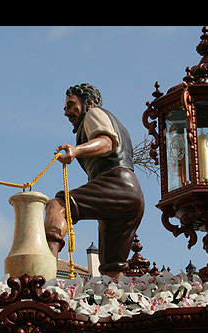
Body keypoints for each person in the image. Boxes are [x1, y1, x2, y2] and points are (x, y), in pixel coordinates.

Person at [44, 83, 145, 278]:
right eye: (65, 108)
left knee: (56, 206)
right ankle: (115, 303)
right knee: (111, 269)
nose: (66, 112)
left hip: (116, 185)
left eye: (71, 105)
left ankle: (44, 274)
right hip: (132, 198)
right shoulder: (118, 125)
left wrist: (76, 150)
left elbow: (107, 142)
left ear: (88, 103)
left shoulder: (93, 114)